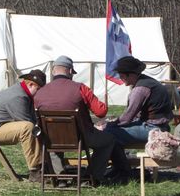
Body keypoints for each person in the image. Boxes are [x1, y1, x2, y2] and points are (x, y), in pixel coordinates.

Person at [34, 55, 131, 184]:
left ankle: (60, 178)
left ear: (53, 71)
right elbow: (101, 112)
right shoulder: (81, 88)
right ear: (69, 71)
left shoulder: (40, 92)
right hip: (80, 137)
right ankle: (91, 177)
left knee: (52, 144)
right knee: (108, 140)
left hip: (52, 138)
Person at [0, 69, 46, 182]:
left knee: (33, 128)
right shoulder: (18, 97)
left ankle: (44, 166)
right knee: (28, 128)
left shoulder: (22, 92)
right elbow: (27, 121)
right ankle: (35, 171)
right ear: (30, 84)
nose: (39, 92)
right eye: (39, 89)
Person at [104, 56, 173, 146]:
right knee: (113, 135)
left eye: (122, 75)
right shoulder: (147, 81)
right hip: (161, 126)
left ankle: (118, 160)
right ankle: (120, 159)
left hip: (154, 129)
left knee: (108, 132)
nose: (120, 77)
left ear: (131, 74)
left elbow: (127, 117)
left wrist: (110, 124)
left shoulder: (140, 89)